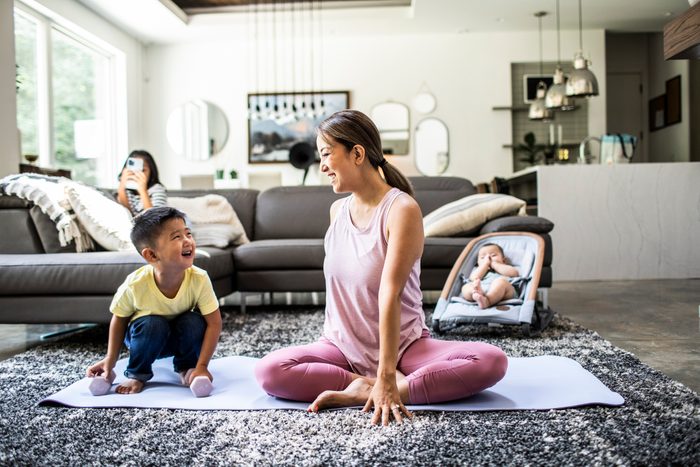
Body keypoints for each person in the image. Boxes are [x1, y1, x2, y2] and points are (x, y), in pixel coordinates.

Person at [254, 110, 508, 426]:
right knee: (268, 371)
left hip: (403, 348)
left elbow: (390, 293)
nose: (321, 166)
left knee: (490, 362)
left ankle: (386, 389)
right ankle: (359, 385)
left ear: (357, 153)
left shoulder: (401, 209)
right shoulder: (337, 211)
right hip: (341, 347)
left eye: (326, 154)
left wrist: (388, 375)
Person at [86, 206, 222, 396]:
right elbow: (119, 319)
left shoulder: (199, 278)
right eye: (176, 237)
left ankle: (187, 368)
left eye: (188, 233)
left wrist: (202, 365)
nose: (187, 241)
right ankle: (137, 374)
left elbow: (214, 323)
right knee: (153, 323)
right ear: (151, 255)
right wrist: (110, 359)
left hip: (178, 338)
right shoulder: (135, 284)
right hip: (144, 338)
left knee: (193, 320)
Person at [461, 243, 521, 309]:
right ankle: (477, 294)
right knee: (466, 287)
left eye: (493, 255)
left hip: (504, 292)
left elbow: (514, 273)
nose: (488, 258)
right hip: (482, 289)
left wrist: (494, 264)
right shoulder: (479, 270)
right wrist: (485, 265)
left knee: (500, 282)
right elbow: (473, 278)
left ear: (504, 260)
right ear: (478, 263)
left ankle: (487, 301)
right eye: (482, 257)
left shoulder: (504, 267)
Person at [117, 150, 168, 216]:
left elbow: (154, 218)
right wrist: (121, 187)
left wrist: (142, 191)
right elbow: (128, 214)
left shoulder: (157, 189)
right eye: (133, 170)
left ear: (151, 171)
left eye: (143, 170)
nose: (137, 174)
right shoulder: (127, 191)